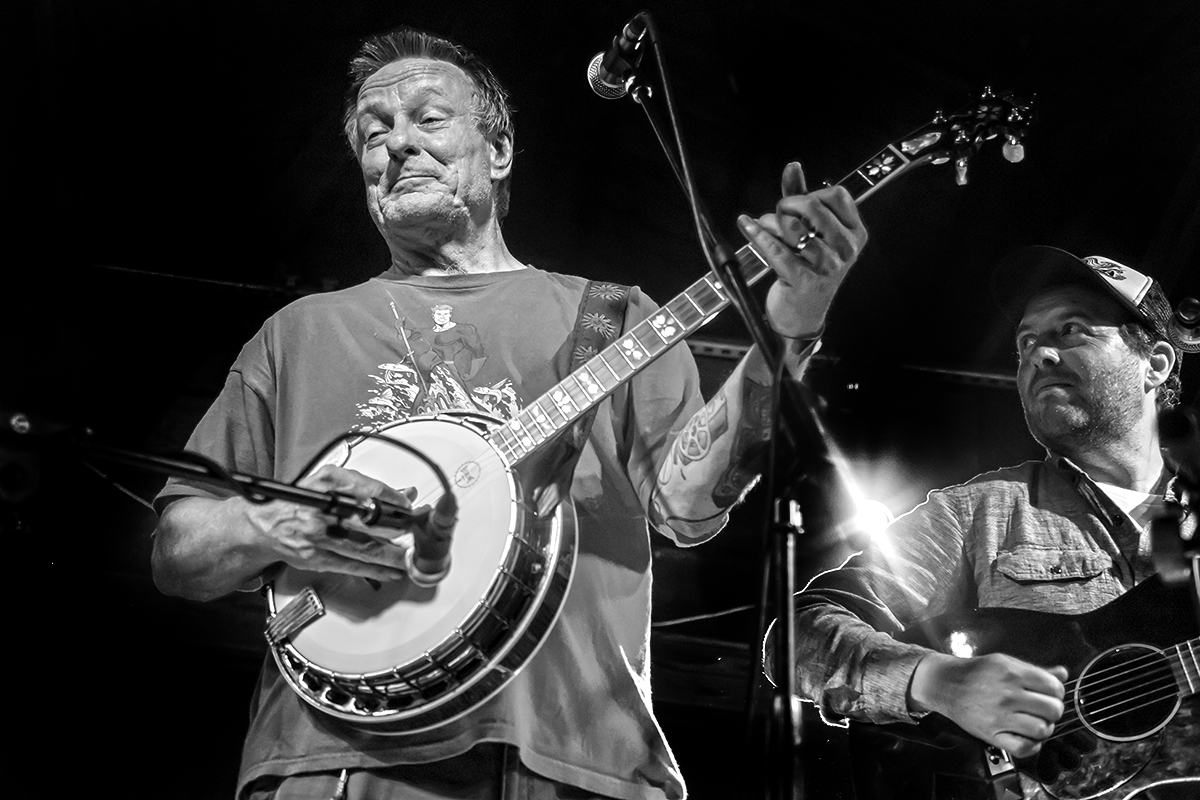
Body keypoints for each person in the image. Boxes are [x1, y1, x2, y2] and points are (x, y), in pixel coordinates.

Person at [150, 26, 867, 800]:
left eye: (428, 119)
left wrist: (789, 330)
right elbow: (177, 553)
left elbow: (691, 508)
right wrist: (276, 524)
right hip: (330, 760)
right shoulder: (297, 333)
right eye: (373, 132)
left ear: (498, 150)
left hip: (580, 759)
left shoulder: (609, 318)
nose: (397, 144)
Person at [769, 244, 1197, 797]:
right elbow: (799, 634)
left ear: (1156, 363)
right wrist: (937, 681)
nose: (1039, 354)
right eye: (1025, 342)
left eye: (1071, 329)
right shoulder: (976, 512)